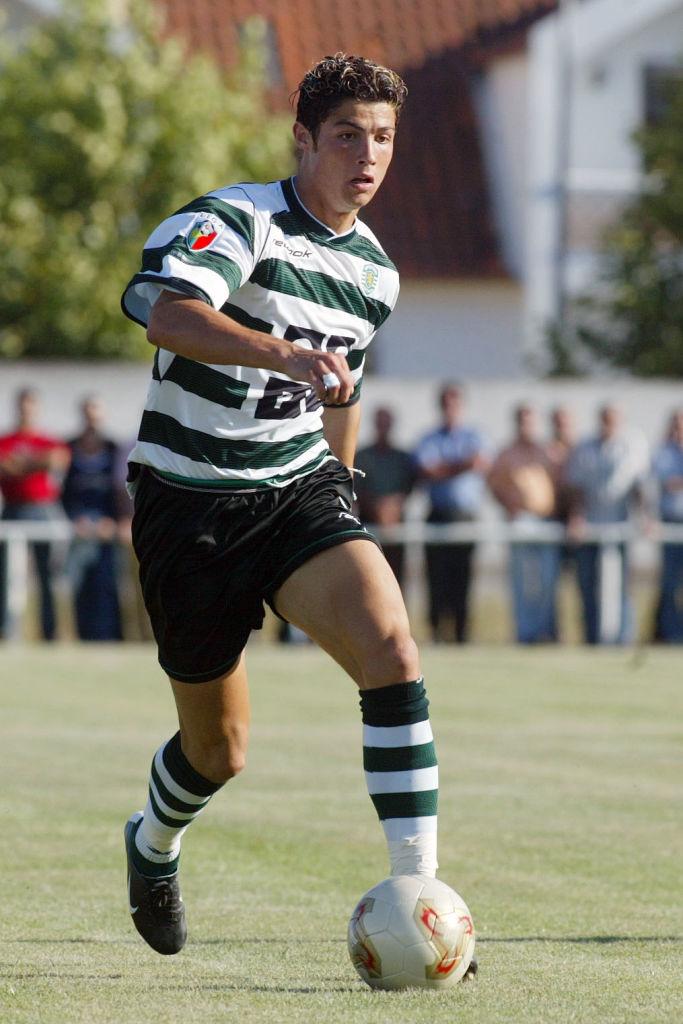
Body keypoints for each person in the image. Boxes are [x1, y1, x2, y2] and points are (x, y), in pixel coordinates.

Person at [120, 53, 460, 969]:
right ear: (302, 138)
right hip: (187, 503)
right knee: (219, 752)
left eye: (382, 137)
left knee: (393, 652)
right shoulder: (238, 220)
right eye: (347, 135)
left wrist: (339, 487)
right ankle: (153, 842)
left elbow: (344, 388)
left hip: (297, 492)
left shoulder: (376, 274)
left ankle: (421, 896)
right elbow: (168, 315)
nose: (367, 155)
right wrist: (281, 353)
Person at [566, 404, 650, 644]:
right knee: (587, 584)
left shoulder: (631, 446)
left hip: (620, 527)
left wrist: (644, 517)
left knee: (621, 585)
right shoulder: (584, 448)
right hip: (589, 528)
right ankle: (592, 637)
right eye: (605, 419)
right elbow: (577, 487)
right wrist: (576, 517)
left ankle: (622, 638)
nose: (608, 425)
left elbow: (638, 486)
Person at [413, 383, 488, 643]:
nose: (450, 409)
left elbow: (480, 463)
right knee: (436, 579)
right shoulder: (429, 438)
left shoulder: (475, 436)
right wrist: (463, 465)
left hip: (465, 516)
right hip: (438, 514)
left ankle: (461, 635)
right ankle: (436, 633)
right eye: (446, 404)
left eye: (454, 403)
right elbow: (428, 471)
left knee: (463, 578)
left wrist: (446, 468)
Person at [0, 387, 70, 640]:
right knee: (6, 573)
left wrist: (22, 463)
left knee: (48, 573)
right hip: (13, 509)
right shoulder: (6, 440)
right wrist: (36, 463)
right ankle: (7, 629)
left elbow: (57, 459)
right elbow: (5, 467)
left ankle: (49, 632)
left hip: (44, 509)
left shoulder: (49, 440)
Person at [487, 404, 560, 643]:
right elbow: (493, 484)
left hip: (545, 521)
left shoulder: (546, 452)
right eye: (523, 422)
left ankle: (545, 631)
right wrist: (508, 506)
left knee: (547, 581)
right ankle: (525, 633)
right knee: (523, 581)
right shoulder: (507, 453)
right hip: (521, 521)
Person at [61, 395, 123, 641]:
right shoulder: (69, 447)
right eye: (88, 415)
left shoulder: (113, 448)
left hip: (108, 527)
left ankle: (108, 636)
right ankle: (81, 635)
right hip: (78, 528)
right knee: (78, 584)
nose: (92, 420)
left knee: (107, 583)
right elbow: (62, 491)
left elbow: (120, 489)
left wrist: (115, 520)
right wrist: (73, 519)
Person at [354, 406, 415, 587]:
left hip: (396, 528)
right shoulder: (362, 456)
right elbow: (356, 489)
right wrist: (377, 510)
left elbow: (408, 488)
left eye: (386, 423)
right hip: (368, 526)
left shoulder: (402, 458)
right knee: (368, 580)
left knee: (396, 579)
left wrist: (392, 508)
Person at [652, 409, 683, 642]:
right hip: (671, 522)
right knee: (671, 582)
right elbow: (666, 483)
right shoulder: (663, 453)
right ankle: (671, 634)